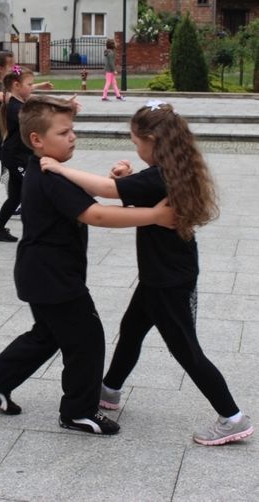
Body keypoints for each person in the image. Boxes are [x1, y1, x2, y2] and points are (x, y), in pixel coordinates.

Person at [41, 100, 254, 446]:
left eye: (136, 142)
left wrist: (59, 169)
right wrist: (127, 180)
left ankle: (232, 417)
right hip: (164, 272)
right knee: (131, 330)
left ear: (153, 140)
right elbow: (135, 194)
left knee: (186, 349)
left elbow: (106, 191)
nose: (136, 149)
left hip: (166, 279)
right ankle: (110, 390)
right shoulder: (170, 171)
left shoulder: (158, 176)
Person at [0, 95, 175, 435]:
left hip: (40, 272)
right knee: (87, 339)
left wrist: (116, 180)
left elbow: (85, 198)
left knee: (48, 334)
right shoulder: (51, 176)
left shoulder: (50, 169)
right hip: (54, 277)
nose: (72, 137)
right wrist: (154, 215)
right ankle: (78, 411)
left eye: (72, 130)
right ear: (37, 139)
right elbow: (96, 215)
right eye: (63, 132)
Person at [0, 51, 53, 217]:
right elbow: (6, 97)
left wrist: (37, 86)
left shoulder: (3, 85)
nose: (15, 67)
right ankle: (17, 202)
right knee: (14, 166)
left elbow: (17, 90)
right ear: (1, 69)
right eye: (12, 65)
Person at [0, 65, 34, 243]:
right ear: (16, 85)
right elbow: (34, 123)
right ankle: (37, 232)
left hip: (18, 156)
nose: (32, 88)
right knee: (32, 190)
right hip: (16, 158)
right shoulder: (15, 107)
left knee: (15, 197)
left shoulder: (19, 104)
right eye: (29, 84)